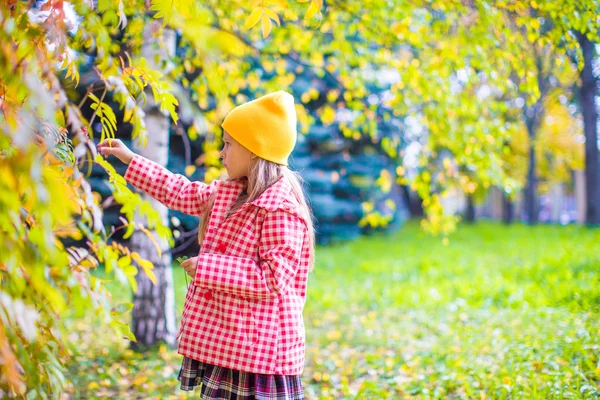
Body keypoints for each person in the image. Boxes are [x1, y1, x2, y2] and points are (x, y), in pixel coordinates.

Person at [97, 91, 315, 399]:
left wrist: (208, 267)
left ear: (254, 150)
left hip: (261, 356)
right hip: (230, 345)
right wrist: (131, 159)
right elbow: (179, 191)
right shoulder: (228, 192)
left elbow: (273, 277)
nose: (222, 153)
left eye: (228, 144)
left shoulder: (280, 208)